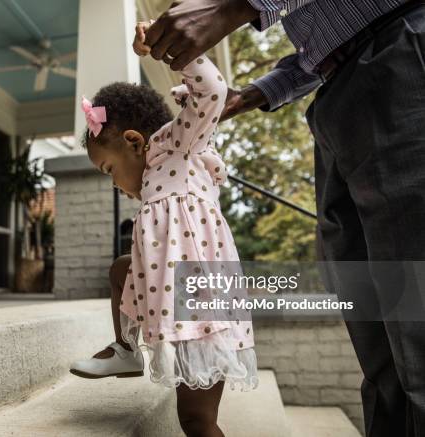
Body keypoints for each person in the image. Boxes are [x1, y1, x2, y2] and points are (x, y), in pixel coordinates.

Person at [141, 1, 425, 436]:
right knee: (379, 344)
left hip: (402, 54)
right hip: (338, 88)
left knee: (416, 320)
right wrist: (256, 93)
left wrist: (232, 8)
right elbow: (321, 43)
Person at [69, 20, 257, 437]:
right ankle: (128, 349)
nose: (114, 183)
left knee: (196, 420)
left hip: (202, 303)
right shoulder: (154, 179)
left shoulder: (179, 144)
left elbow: (211, 92)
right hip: (173, 292)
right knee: (121, 269)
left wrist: (166, 46)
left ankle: (132, 350)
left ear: (135, 143)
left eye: (109, 170)